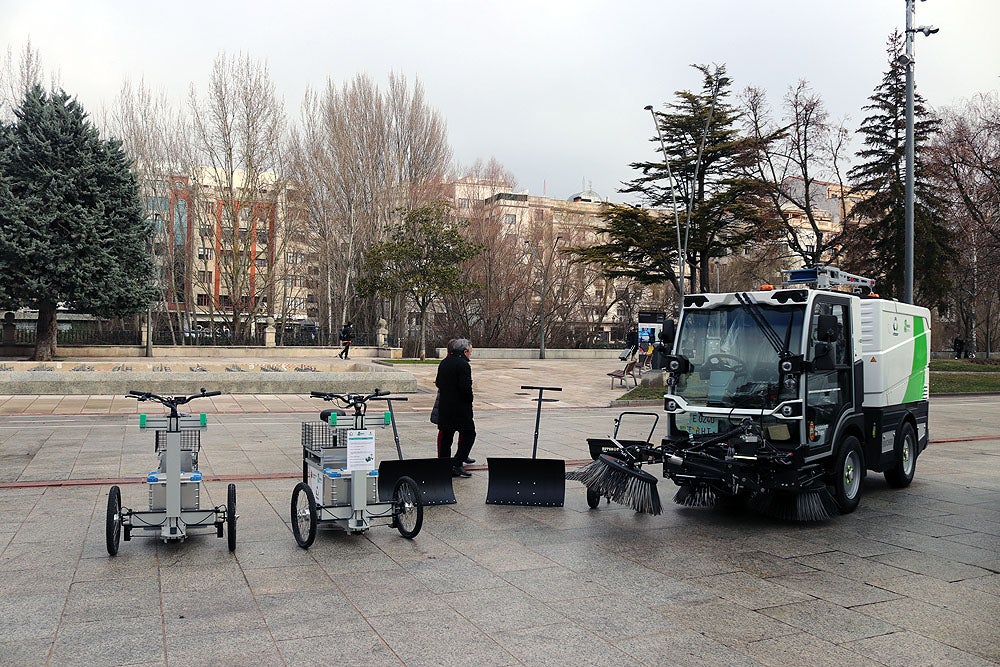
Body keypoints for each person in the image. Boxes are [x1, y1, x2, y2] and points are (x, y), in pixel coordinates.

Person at [435, 338, 477, 477]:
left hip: (445, 405)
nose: (470, 354)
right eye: (470, 352)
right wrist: (469, 399)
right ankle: (457, 463)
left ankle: (444, 465)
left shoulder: (445, 362)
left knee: (447, 436)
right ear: (464, 351)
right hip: (460, 407)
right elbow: (465, 387)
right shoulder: (463, 365)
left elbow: (439, 382)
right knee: (469, 434)